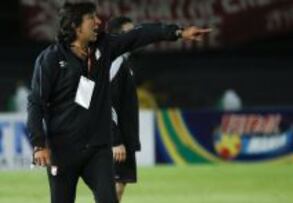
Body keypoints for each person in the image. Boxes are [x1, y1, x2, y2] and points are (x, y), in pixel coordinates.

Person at [27, 2, 210, 203]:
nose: (98, 22)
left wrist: (177, 32)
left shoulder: (104, 47)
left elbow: (137, 35)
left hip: (98, 150)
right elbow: (36, 103)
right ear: (75, 26)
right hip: (63, 151)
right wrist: (38, 144)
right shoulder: (50, 59)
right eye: (91, 18)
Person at [107, 16, 140, 202]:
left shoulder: (124, 62)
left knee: (119, 187)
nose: (135, 36)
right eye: (130, 32)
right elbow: (106, 103)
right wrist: (115, 139)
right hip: (115, 139)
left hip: (122, 138)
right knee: (114, 189)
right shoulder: (115, 63)